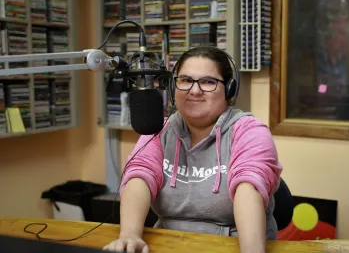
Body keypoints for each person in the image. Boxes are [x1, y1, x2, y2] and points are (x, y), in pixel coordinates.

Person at [102, 46, 283, 253]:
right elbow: (139, 176)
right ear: (172, 87)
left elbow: (249, 187)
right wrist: (130, 236)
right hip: (168, 245)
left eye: (208, 82)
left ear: (229, 90)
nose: (194, 91)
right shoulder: (158, 130)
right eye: (186, 80)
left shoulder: (249, 131)